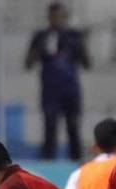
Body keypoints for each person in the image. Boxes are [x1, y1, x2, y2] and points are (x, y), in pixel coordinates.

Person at [25, 2, 90, 160]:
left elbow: (86, 63)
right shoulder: (41, 36)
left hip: (70, 89)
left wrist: (83, 44)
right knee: (50, 128)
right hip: (50, 91)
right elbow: (28, 63)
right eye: (52, 16)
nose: (55, 20)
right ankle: (49, 163)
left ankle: (76, 161)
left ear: (65, 17)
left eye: (59, 16)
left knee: (73, 126)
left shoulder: (74, 36)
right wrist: (38, 48)